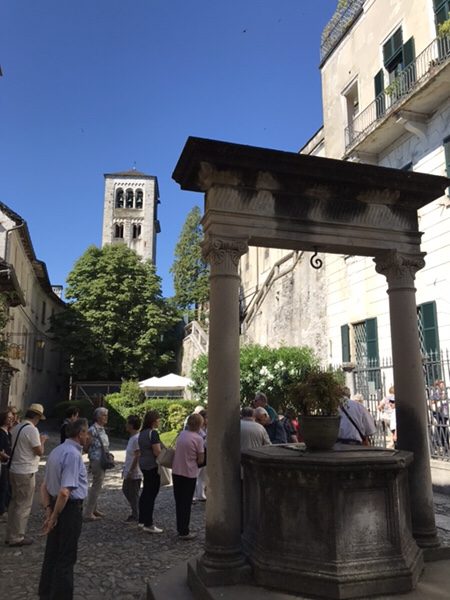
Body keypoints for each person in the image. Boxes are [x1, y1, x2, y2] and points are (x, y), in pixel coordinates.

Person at [38, 418, 89, 600]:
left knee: (52, 553)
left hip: (55, 505)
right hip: (68, 510)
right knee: (66, 557)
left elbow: (44, 486)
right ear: (80, 433)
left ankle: (45, 592)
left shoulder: (56, 451)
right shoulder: (73, 455)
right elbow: (65, 491)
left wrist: (49, 510)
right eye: (86, 433)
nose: (88, 436)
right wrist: (55, 516)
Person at [5, 403, 48, 547]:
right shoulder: (32, 430)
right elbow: (39, 451)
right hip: (25, 470)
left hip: (14, 469)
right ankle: (17, 536)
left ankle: (10, 533)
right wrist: (42, 441)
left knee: (14, 502)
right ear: (37, 416)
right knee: (24, 505)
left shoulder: (17, 428)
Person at [172, 413, 205, 540]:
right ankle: (184, 531)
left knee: (179, 501)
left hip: (177, 471)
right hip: (189, 473)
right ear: (200, 425)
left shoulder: (182, 434)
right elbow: (201, 459)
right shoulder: (198, 439)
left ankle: (180, 527)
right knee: (186, 503)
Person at [138, 410, 163, 533]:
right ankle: (149, 523)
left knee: (146, 492)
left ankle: (142, 520)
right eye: (158, 420)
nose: (159, 422)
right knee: (151, 493)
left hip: (143, 463)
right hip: (152, 465)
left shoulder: (142, 433)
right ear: (154, 421)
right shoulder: (153, 433)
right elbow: (157, 451)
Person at [83, 407, 110, 521]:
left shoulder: (101, 429)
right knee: (96, 486)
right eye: (104, 415)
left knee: (98, 484)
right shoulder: (92, 430)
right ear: (98, 417)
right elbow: (86, 446)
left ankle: (94, 509)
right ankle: (88, 512)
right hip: (96, 459)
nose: (106, 417)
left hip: (101, 459)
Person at [122, 414, 142, 522]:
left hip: (135, 471)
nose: (126, 425)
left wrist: (131, 470)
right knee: (126, 490)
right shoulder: (132, 438)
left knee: (132, 492)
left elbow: (137, 455)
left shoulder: (136, 439)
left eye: (127, 423)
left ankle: (137, 514)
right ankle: (136, 512)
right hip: (129, 468)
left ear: (131, 425)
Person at [0, 410, 13, 520]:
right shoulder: (1, 432)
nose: (11, 419)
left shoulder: (9, 432)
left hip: (7, 463)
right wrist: (8, 456)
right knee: (3, 487)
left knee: (6, 486)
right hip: (2, 463)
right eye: (8, 417)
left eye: (11, 417)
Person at [193, 409, 207, 503]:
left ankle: (200, 494)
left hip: (205, 453)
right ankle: (192, 495)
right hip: (198, 453)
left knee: (202, 475)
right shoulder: (198, 429)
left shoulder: (206, 428)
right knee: (196, 474)